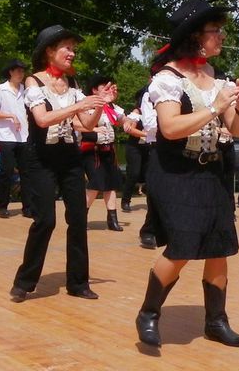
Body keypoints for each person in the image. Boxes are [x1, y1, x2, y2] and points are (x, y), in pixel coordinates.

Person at [135, 0, 239, 348]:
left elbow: (236, 130)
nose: (221, 36)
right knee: (184, 245)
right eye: (214, 31)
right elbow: (170, 128)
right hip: (174, 172)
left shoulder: (216, 77)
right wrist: (215, 106)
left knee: (219, 246)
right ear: (194, 36)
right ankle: (149, 313)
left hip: (213, 172)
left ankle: (216, 321)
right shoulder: (166, 79)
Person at [10, 26, 114, 302]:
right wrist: (80, 107)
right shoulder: (33, 82)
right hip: (40, 158)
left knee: (78, 218)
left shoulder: (73, 85)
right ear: (49, 51)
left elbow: (84, 125)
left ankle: (78, 283)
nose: (72, 52)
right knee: (45, 220)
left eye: (73, 48)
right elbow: (43, 120)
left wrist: (100, 104)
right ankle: (25, 281)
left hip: (69, 156)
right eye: (66, 47)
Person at [79, 74, 126, 231]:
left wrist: (128, 122)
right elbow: (81, 126)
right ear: (94, 90)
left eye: (109, 87)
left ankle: (112, 219)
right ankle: (80, 217)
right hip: (92, 150)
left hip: (108, 149)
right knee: (96, 183)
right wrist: (94, 129)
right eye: (103, 88)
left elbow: (123, 120)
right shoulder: (86, 106)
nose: (108, 90)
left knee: (111, 183)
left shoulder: (111, 107)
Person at [0, 59, 33, 219]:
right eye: (18, 71)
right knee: (6, 172)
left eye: (23, 71)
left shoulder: (26, 90)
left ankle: (27, 207)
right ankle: (2, 205)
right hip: (6, 137)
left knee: (26, 173)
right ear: (11, 72)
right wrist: (10, 116)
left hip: (24, 136)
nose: (21, 74)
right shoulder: (1, 90)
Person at [122, 85, 153, 215]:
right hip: (135, 147)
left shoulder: (156, 111)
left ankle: (152, 202)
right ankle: (125, 200)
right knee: (133, 173)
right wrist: (147, 134)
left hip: (148, 148)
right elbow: (131, 130)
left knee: (151, 174)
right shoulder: (137, 112)